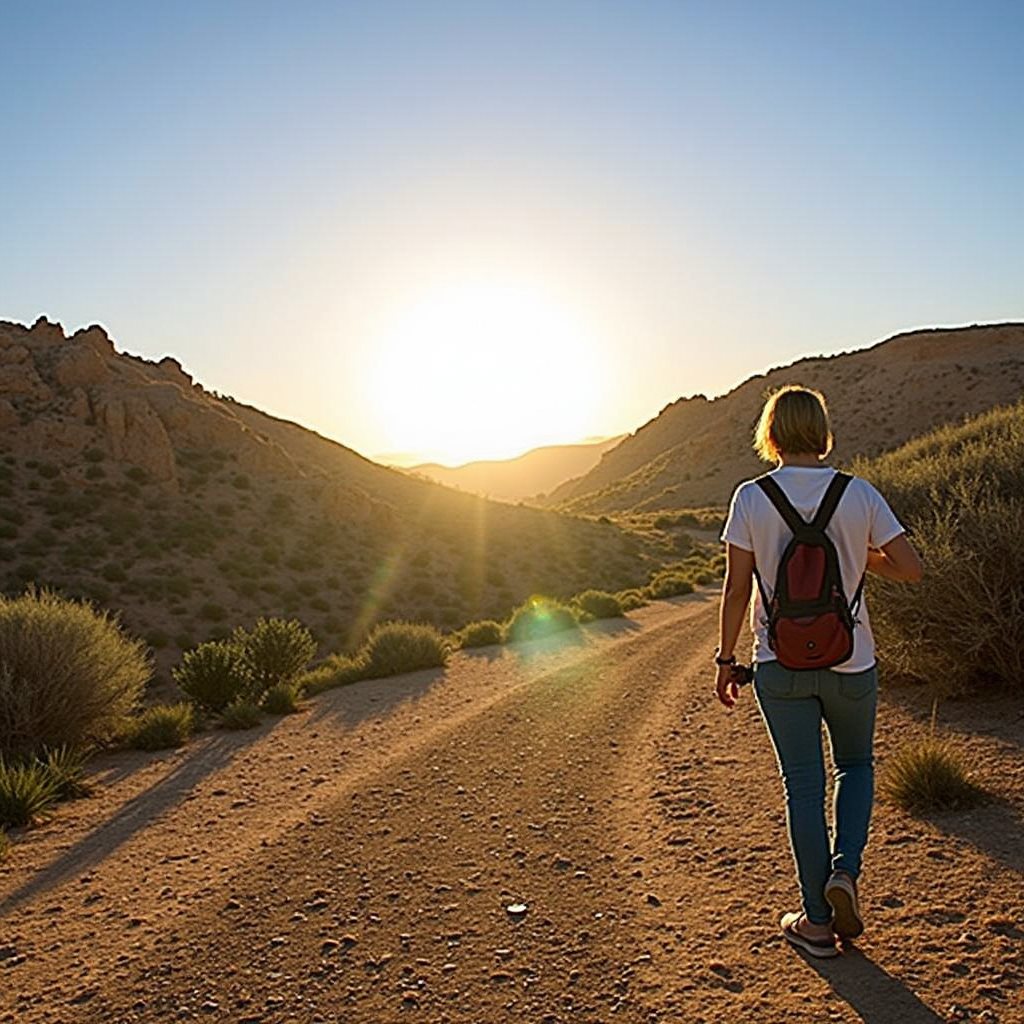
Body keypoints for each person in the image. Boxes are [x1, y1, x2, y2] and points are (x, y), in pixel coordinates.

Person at [714, 385, 922, 957]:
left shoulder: (750, 498)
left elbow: (736, 588)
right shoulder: (858, 494)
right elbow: (911, 568)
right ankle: (845, 873)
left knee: (802, 787)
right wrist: (860, 554)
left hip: (779, 664)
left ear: (771, 433)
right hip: (851, 660)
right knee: (855, 766)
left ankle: (816, 922)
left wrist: (727, 659)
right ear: (823, 431)